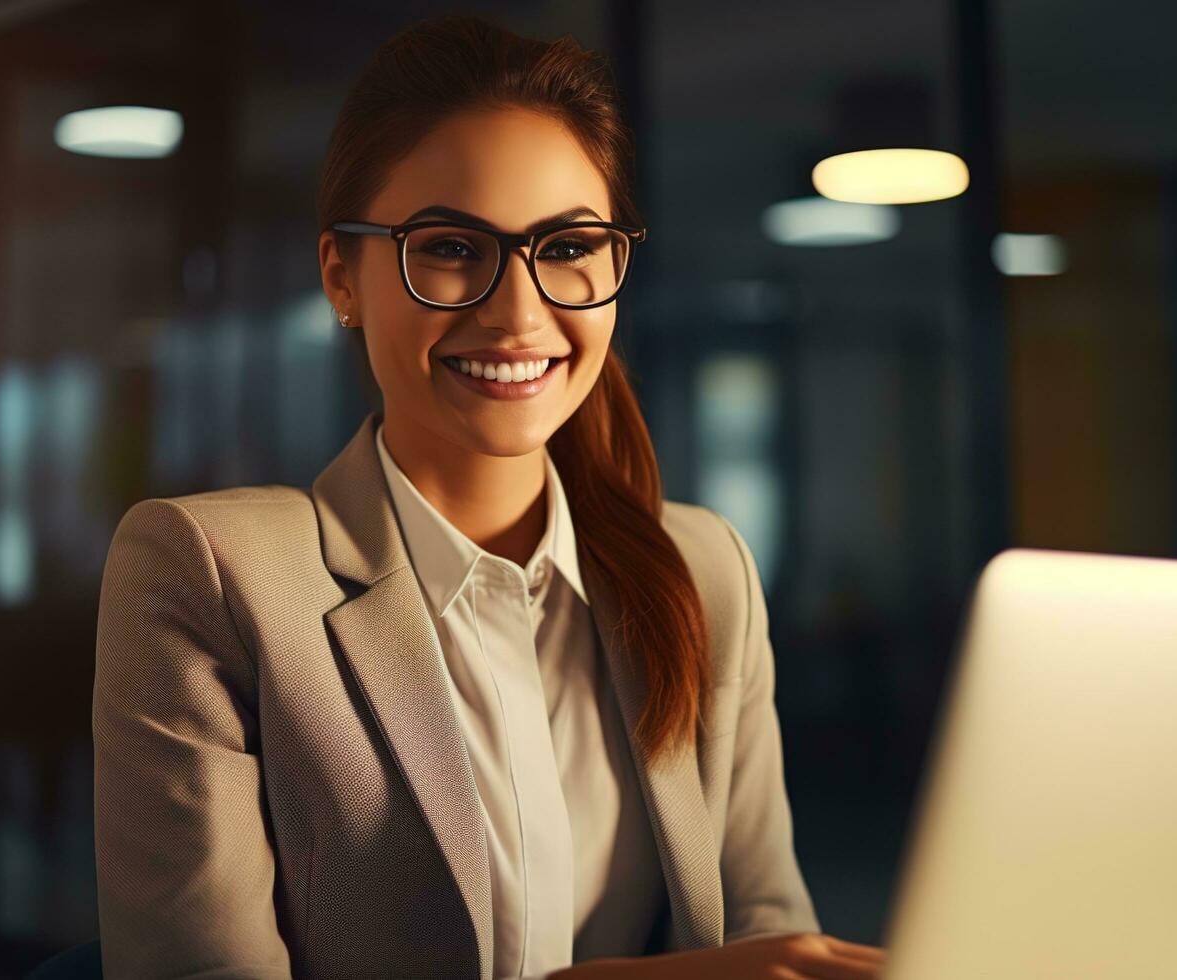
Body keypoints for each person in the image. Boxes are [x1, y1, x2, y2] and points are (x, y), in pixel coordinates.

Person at [92, 13, 885, 980]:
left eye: (567, 248)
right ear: (342, 275)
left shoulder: (701, 570)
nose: (517, 313)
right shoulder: (212, 576)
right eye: (452, 249)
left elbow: (765, 931)